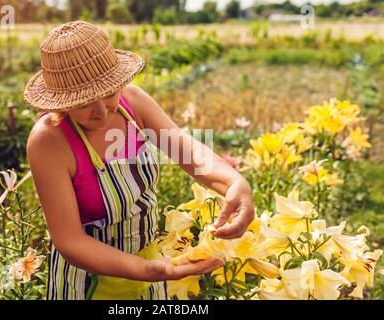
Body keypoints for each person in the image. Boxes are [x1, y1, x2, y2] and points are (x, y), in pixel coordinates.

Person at [24, 20, 255, 300]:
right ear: (60, 101)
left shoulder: (132, 105)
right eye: (84, 103)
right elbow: (70, 241)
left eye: (109, 92)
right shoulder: (49, 142)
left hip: (150, 266)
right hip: (88, 283)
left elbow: (188, 152)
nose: (102, 112)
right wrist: (148, 270)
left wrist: (234, 183)